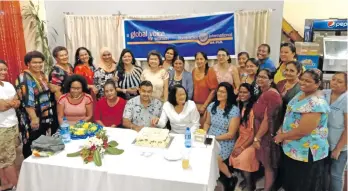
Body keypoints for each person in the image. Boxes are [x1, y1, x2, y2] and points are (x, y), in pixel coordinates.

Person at [274, 69, 330, 191]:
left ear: (317, 83)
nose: (303, 82)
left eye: (308, 81)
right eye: (302, 79)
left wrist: (282, 136)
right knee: (292, 180)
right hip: (293, 147)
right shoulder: (301, 93)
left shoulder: (316, 103)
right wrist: (281, 129)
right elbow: (290, 115)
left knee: (303, 183)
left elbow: (303, 131)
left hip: (307, 151)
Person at [15, 51, 56, 158]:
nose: (38, 65)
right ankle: (29, 168)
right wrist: (34, 118)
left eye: (40, 62)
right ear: (28, 63)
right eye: (34, 62)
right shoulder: (24, 77)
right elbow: (27, 100)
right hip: (32, 117)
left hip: (44, 116)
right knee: (31, 143)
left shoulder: (42, 75)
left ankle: (39, 167)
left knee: (41, 143)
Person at [203, 82, 240, 190]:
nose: (220, 93)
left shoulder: (234, 110)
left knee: (215, 157)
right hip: (210, 136)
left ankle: (230, 177)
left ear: (228, 94)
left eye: (223, 92)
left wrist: (213, 138)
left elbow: (231, 134)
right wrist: (205, 133)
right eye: (219, 91)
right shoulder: (212, 106)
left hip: (225, 140)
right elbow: (207, 123)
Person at [252, 69, 282, 191]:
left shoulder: (272, 94)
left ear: (271, 80)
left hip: (267, 135)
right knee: (266, 164)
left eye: (264, 77)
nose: (260, 79)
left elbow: (267, 120)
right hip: (262, 134)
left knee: (269, 165)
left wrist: (257, 138)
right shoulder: (263, 91)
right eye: (259, 76)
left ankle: (267, 189)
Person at [230, 83, 259, 191]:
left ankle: (250, 185)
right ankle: (246, 180)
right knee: (234, 155)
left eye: (245, 92)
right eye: (240, 92)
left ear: (251, 94)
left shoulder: (253, 110)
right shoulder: (241, 105)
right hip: (242, 138)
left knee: (243, 158)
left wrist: (242, 147)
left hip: (251, 140)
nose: (242, 94)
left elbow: (254, 133)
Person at [323, 72, 347, 191]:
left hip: (339, 145)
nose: (335, 83)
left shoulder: (346, 100)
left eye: (340, 81)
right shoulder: (325, 94)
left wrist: (338, 149)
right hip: (323, 143)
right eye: (333, 79)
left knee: (335, 175)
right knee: (324, 173)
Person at [0, 60, 20, 191]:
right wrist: (8, 102)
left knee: (8, 156)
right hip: (2, 127)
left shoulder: (8, 85)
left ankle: (7, 184)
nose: (3, 72)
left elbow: (18, 102)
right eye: (0, 70)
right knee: (7, 159)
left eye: (4, 70)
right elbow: (1, 107)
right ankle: (19, 186)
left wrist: (8, 102)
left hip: (13, 123)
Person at [49, 46, 73, 135]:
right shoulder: (56, 71)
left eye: (66, 54)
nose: (65, 57)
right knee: (60, 127)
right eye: (61, 56)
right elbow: (56, 91)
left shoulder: (69, 66)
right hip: (62, 104)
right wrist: (63, 107)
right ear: (56, 58)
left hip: (70, 100)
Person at [192, 51, 219, 126]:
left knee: (202, 129)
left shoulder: (210, 71)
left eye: (201, 59)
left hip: (206, 106)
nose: (199, 61)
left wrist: (204, 106)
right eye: (197, 59)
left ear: (206, 61)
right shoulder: (194, 71)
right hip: (194, 105)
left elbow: (214, 90)